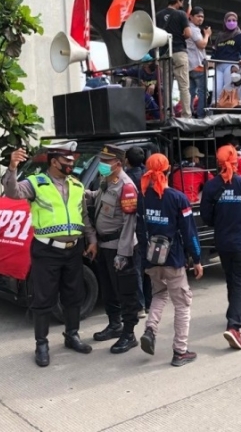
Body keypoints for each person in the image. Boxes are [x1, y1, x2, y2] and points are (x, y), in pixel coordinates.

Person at [2, 142, 97, 367]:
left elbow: (83, 216)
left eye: (72, 163)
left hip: (73, 249)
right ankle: (41, 344)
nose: (70, 166)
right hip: (46, 251)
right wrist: (13, 167)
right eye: (66, 163)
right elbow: (12, 192)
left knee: (74, 294)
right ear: (54, 162)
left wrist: (91, 239)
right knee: (43, 298)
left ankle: (72, 335)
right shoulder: (36, 183)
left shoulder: (76, 185)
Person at [138, 154, 203, 366]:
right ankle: (180, 351)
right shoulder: (177, 198)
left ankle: (150, 328)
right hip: (173, 259)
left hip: (151, 258)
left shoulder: (142, 196)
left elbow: (140, 229)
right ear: (167, 172)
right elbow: (189, 232)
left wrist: (143, 258)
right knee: (183, 304)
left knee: (159, 294)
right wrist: (197, 258)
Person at [200, 146, 241, 349]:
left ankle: (233, 317)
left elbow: (206, 216)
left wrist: (220, 221)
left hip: (222, 243)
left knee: (232, 280)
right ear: (236, 162)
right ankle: (234, 326)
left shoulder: (212, 187)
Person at [89, 145, 140, 353]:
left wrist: (123, 254)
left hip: (120, 248)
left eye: (106, 161)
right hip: (104, 245)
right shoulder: (109, 182)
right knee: (109, 289)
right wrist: (83, 193)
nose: (102, 164)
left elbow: (130, 224)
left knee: (126, 292)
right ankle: (114, 324)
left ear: (118, 164)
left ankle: (129, 333)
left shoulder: (126, 187)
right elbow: (99, 200)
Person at [124, 146, 152, 318]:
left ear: (126, 160)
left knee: (137, 268)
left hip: (135, 226)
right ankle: (149, 303)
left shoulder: (127, 179)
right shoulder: (147, 175)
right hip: (150, 226)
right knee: (147, 267)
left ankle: (140, 305)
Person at [156, 0, 192, 119]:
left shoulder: (158, 15)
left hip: (164, 55)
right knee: (184, 87)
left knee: (166, 87)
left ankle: (166, 115)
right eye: (182, 1)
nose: (182, 4)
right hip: (179, 52)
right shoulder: (181, 14)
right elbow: (188, 34)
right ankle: (186, 116)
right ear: (178, 0)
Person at [211, 12, 241, 105]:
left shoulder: (238, 35)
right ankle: (214, 108)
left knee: (228, 88)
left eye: (234, 20)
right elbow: (215, 50)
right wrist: (211, 61)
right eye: (229, 20)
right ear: (225, 22)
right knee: (216, 89)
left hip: (230, 65)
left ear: (237, 22)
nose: (231, 22)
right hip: (219, 65)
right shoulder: (220, 36)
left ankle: (228, 107)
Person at [186, 7, 211, 118]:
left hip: (190, 66)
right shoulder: (194, 29)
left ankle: (189, 114)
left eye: (202, 17)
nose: (200, 19)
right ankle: (201, 116)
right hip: (198, 66)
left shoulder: (187, 28)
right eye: (198, 16)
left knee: (190, 92)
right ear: (191, 17)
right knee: (202, 92)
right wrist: (207, 35)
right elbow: (202, 44)